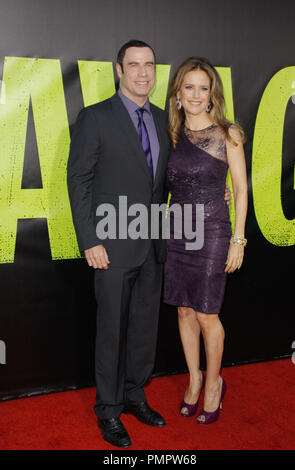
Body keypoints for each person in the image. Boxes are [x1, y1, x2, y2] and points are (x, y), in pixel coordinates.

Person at [67, 40, 171, 448]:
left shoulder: (166, 119)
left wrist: (221, 194)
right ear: (118, 69)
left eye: (149, 65)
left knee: (144, 328)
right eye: (134, 65)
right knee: (112, 330)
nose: (143, 72)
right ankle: (108, 410)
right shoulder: (95, 118)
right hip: (109, 246)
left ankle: (134, 395)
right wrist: (90, 239)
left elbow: (170, 179)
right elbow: (79, 182)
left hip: (152, 246)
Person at [163, 57, 248, 424]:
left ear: (212, 94)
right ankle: (194, 379)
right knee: (183, 309)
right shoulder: (174, 133)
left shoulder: (228, 133)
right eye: (189, 87)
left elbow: (241, 189)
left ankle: (214, 383)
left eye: (203, 88)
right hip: (177, 233)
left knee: (206, 312)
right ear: (178, 94)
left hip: (214, 231)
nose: (196, 95)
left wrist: (238, 240)